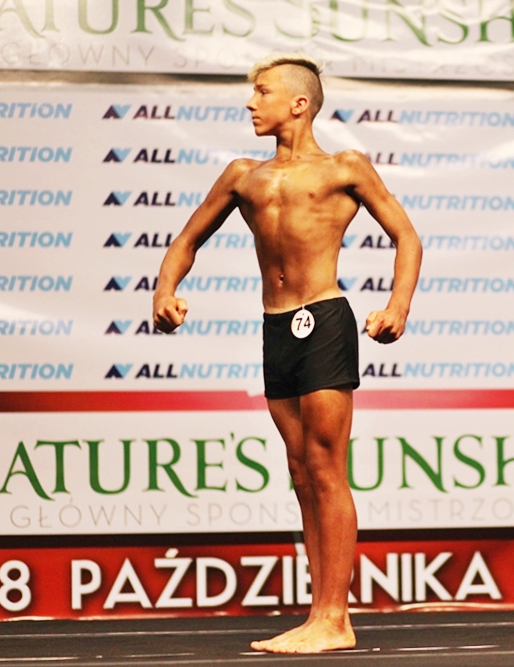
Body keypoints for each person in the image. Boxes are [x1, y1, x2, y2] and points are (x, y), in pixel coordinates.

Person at [152, 54, 422, 653]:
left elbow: (406, 234)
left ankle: (335, 618)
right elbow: (187, 239)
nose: (251, 102)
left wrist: (397, 306)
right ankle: (319, 614)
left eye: (262, 92)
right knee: (300, 471)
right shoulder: (242, 175)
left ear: (298, 104)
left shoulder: (345, 167)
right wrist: (165, 291)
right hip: (276, 327)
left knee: (326, 467)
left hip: (323, 318)